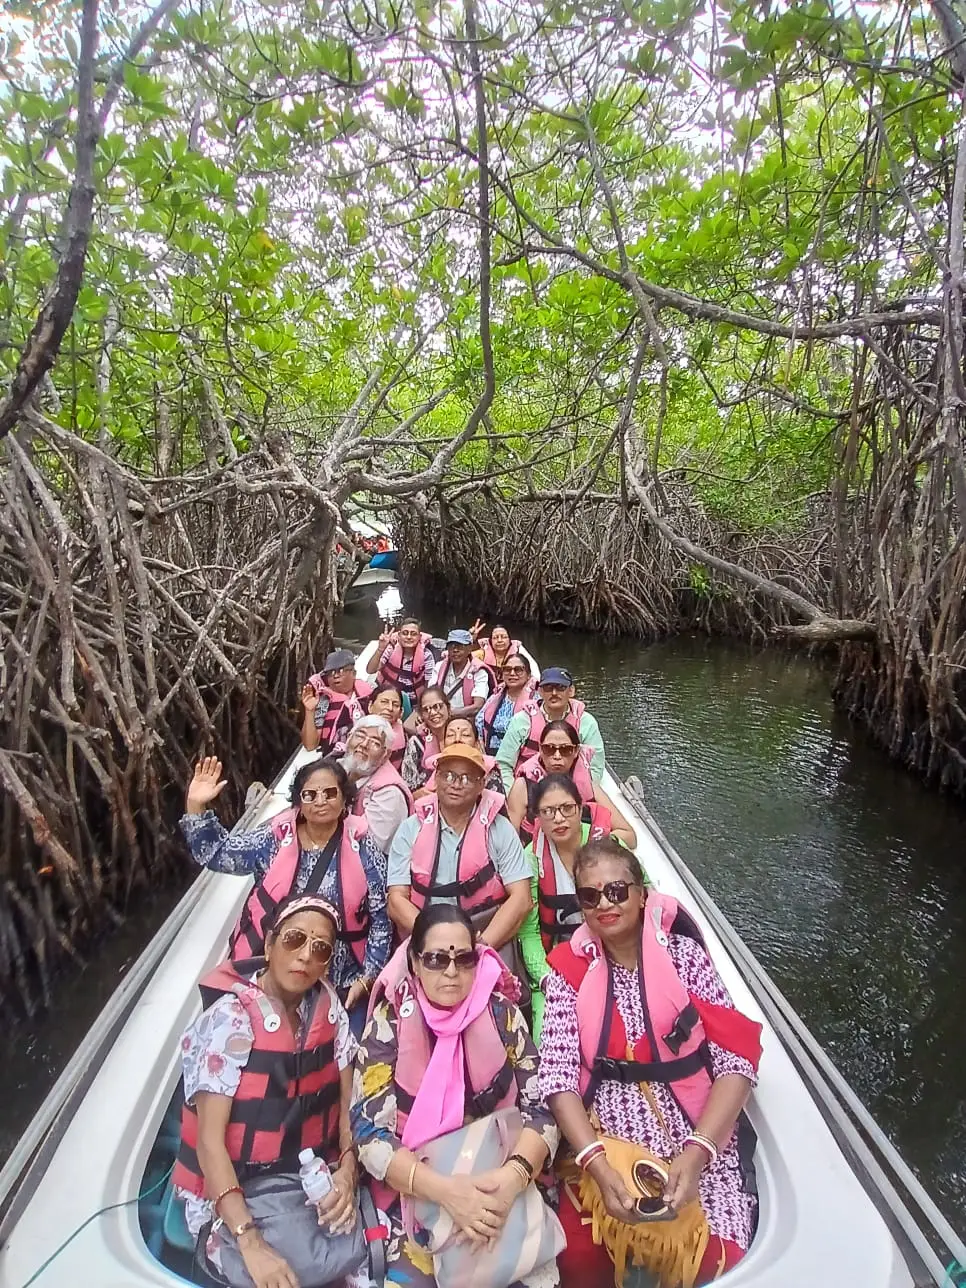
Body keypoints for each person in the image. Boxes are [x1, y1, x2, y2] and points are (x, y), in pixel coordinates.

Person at [539, 838, 762, 1288]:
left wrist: (697, 1153)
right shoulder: (567, 973)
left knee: (716, 1260)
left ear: (641, 895)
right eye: (590, 896)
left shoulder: (685, 959)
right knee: (577, 1261)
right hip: (606, 1144)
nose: (605, 904)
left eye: (617, 891)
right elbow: (558, 1079)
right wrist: (597, 1166)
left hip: (694, 1140)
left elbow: (736, 1061)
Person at [351, 904, 561, 1288]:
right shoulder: (389, 1023)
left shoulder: (501, 1014)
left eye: (463, 959)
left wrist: (510, 1181)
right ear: (415, 963)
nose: (451, 971)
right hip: (418, 1188)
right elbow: (369, 1135)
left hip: (503, 1178)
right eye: (435, 959)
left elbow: (542, 1109)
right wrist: (449, 1194)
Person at [173, 893, 367, 1288]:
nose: (305, 956)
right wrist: (250, 1241)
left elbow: (347, 1110)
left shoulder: (329, 1009)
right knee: (278, 1274)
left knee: (370, 1253)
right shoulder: (229, 1022)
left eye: (320, 948)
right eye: (294, 940)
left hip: (306, 1173)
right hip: (230, 1188)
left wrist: (347, 1174)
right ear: (269, 944)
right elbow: (209, 1144)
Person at [181, 756, 391, 1030]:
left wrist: (367, 979)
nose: (320, 801)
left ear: (344, 799)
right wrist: (195, 806)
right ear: (298, 802)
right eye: (310, 794)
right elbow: (218, 854)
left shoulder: (363, 846)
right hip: (274, 975)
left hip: (341, 980)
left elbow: (380, 919)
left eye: (330, 793)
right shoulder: (274, 840)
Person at [517, 776, 635, 1040]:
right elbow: (529, 932)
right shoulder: (531, 858)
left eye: (566, 808)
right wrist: (547, 979)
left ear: (580, 808)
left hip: (615, 959)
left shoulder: (611, 847)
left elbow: (644, 897)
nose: (558, 818)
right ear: (538, 817)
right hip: (559, 965)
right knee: (549, 1039)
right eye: (548, 811)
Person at [386, 744, 532, 951]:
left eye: (466, 778)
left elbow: (521, 898)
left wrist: (480, 947)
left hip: (484, 933)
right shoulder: (410, 828)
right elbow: (396, 899)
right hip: (424, 934)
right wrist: (434, 939)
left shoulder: (500, 828)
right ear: (436, 778)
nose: (455, 784)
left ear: (481, 785)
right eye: (448, 775)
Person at [506, 720, 636, 845]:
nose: (557, 756)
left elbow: (629, 835)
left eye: (565, 750)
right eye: (549, 749)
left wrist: (593, 845)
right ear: (540, 749)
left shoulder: (589, 786)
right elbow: (509, 839)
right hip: (534, 853)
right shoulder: (523, 787)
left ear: (576, 751)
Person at [497, 667, 605, 790]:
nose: (554, 693)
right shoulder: (522, 720)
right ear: (540, 692)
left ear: (571, 691)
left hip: (571, 792)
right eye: (548, 688)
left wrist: (579, 795)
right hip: (528, 790)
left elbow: (595, 767)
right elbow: (504, 764)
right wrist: (513, 794)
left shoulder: (586, 723)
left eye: (560, 687)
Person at [340, 716, 413, 856]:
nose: (364, 744)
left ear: (386, 754)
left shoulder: (390, 793)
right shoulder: (337, 769)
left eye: (375, 743)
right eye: (360, 736)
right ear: (348, 738)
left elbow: (369, 850)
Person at [301, 649, 372, 754]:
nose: (335, 676)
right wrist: (309, 711)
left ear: (354, 673)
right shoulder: (323, 702)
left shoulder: (368, 695)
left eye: (341, 671)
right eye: (331, 673)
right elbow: (310, 746)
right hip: (334, 753)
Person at [420, 714, 507, 799]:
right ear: (443, 744)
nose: (457, 739)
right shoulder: (433, 765)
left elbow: (496, 802)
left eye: (465, 735)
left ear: (477, 744)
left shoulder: (488, 767)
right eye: (451, 735)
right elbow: (418, 795)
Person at [476, 654, 536, 755]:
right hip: (489, 754)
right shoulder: (495, 696)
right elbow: (479, 722)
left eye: (518, 670)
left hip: (521, 757)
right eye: (507, 669)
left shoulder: (536, 702)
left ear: (528, 675)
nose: (512, 673)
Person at [400, 686, 451, 796]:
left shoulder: (461, 735)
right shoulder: (416, 743)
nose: (433, 712)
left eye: (437, 706)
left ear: (448, 708)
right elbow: (407, 787)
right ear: (421, 715)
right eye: (426, 709)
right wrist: (418, 794)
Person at [368, 618, 433, 703]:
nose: (409, 637)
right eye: (405, 633)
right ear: (399, 635)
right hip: (389, 698)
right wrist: (380, 649)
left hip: (414, 702)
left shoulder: (426, 655)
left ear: (419, 637)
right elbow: (370, 670)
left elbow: (429, 683)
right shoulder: (390, 649)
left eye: (413, 634)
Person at [431, 628, 492, 718]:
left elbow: (477, 706)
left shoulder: (479, 671)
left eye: (460, 646)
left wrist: (450, 714)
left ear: (470, 648)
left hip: (466, 718)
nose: (455, 650)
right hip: (439, 715)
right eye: (451, 646)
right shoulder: (439, 667)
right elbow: (430, 695)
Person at [366, 683, 408, 769]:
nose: (390, 708)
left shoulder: (408, 740)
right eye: (384, 702)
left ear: (401, 713)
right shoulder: (353, 732)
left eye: (395, 705)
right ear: (370, 706)